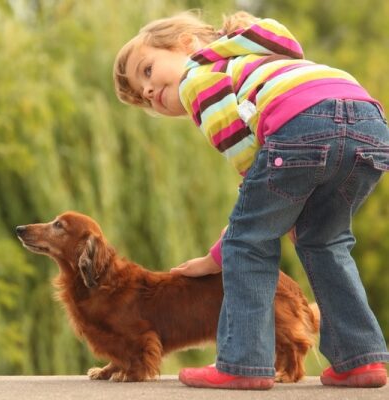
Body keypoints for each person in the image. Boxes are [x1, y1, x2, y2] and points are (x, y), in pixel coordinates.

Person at [113, 10, 389, 390]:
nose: (147, 92)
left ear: (187, 44)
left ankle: (243, 362)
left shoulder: (198, 76)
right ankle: (360, 358)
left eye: (146, 71)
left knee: (248, 243)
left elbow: (251, 170)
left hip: (301, 123)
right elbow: (271, 190)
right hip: (368, 125)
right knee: (325, 241)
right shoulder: (261, 57)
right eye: (143, 99)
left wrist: (217, 256)